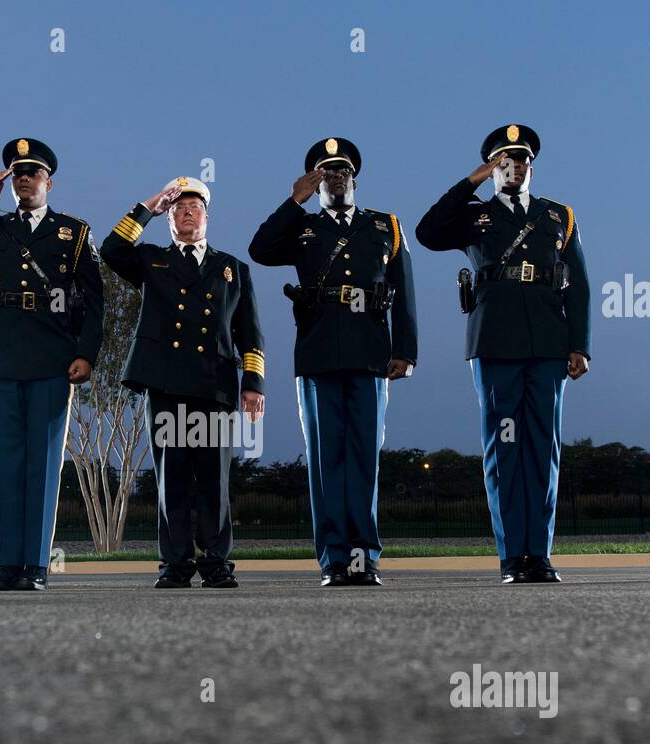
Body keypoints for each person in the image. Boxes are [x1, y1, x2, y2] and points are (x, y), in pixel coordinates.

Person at [416, 125, 589, 584]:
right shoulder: (475, 215)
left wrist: (580, 344)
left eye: (521, 160)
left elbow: (581, 284)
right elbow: (426, 232)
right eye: (503, 161)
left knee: (544, 449)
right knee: (504, 447)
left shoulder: (560, 216)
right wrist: (471, 181)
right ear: (494, 168)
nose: (514, 167)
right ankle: (514, 557)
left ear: (531, 166)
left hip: (550, 344)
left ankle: (541, 554)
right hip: (494, 342)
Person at [0, 138, 103, 592]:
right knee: (4, 463)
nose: (23, 179)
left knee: (42, 464)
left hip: (52, 355)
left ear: (49, 181)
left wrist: (86, 353)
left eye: (32, 173)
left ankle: (35, 565)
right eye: (16, 173)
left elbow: (94, 300)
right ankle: (7, 563)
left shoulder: (74, 232)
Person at [249, 138, 417, 587]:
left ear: (354, 179)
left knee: (365, 458)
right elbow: (259, 250)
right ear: (315, 179)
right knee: (326, 461)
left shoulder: (385, 226)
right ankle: (333, 560)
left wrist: (405, 351)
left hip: (370, 354)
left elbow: (405, 293)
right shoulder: (303, 228)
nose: (335, 175)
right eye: (325, 170)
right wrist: (293, 200)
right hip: (319, 353)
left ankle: (364, 557)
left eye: (342, 169)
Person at [102, 176, 266, 588]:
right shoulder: (152, 261)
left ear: (207, 217)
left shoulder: (233, 268)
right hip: (166, 385)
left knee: (215, 480)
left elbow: (251, 333)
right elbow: (112, 250)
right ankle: (174, 565)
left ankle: (215, 564)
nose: (186, 212)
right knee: (171, 478)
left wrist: (254, 384)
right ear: (169, 218)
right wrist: (148, 206)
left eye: (194, 207)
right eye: (178, 209)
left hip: (215, 386)